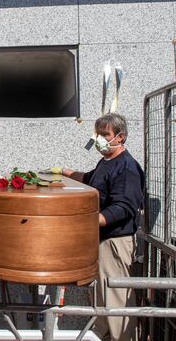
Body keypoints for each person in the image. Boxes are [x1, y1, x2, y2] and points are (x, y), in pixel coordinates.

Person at [54, 113, 144, 341]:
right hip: (101, 240)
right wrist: (62, 172)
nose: (99, 139)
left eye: (105, 134)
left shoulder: (127, 167)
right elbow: (89, 178)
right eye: (97, 134)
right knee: (101, 299)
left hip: (115, 242)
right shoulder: (106, 162)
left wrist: (89, 221)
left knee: (115, 299)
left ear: (120, 137)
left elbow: (123, 207)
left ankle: (121, 338)